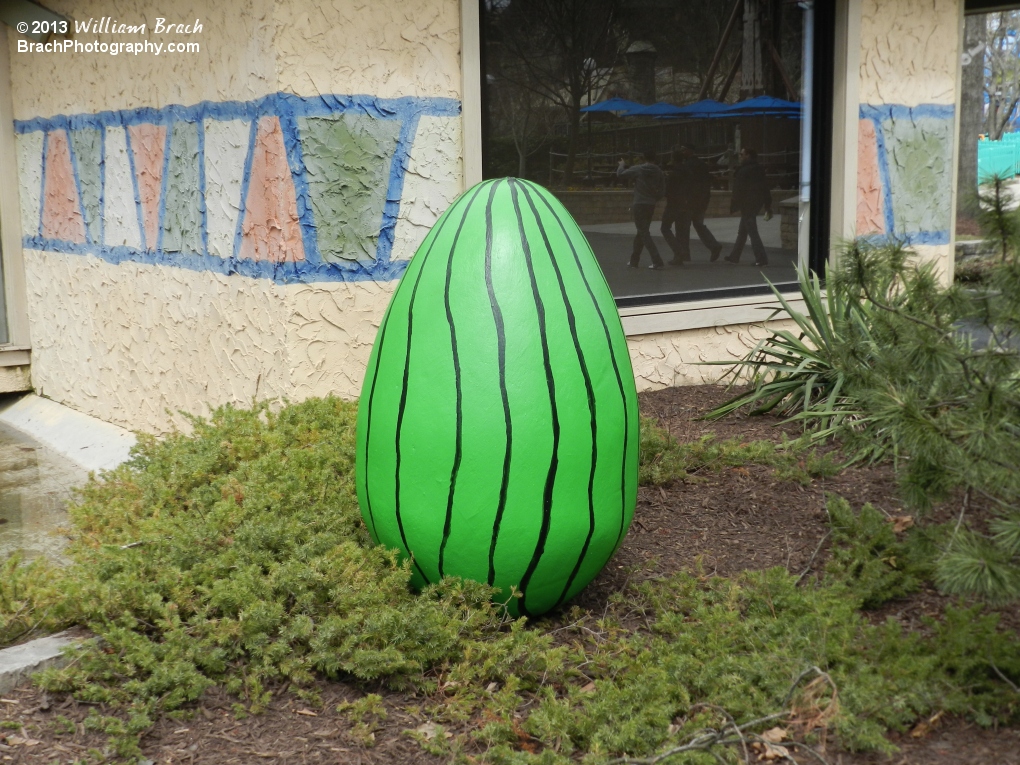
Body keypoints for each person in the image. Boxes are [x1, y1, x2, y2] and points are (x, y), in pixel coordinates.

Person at [661, 145, 722, 265]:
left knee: (683, 227)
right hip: (702, 198)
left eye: (684, 149)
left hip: (690, 200)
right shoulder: (701, 164)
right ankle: (712, 245)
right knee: (697, 223)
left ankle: (683, 254)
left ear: (689, 151)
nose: (683, 152)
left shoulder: (687, 166)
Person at [617, 150, 665, 269]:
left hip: (639, 203)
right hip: (650, 204)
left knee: (643, 232)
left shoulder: (638, 169)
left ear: (644, 157)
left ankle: (657, 260)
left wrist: (621, 165)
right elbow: (663, 190)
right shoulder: (659, 172)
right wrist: (655, 198)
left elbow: (621, 174)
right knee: (642, 231)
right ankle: (634, 260)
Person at [724, 147, 772, 267]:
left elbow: (738, 189)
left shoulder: (744, 170)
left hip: (747, 204)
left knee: (751, 231)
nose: (740, 157)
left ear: (748, 156)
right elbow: (765, 187)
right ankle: (734, 256)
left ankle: (761, 258)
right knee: (743, 231)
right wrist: (767, 204)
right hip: (756, 203)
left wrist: (735, 204)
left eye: (741, 155)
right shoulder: (759, 169)